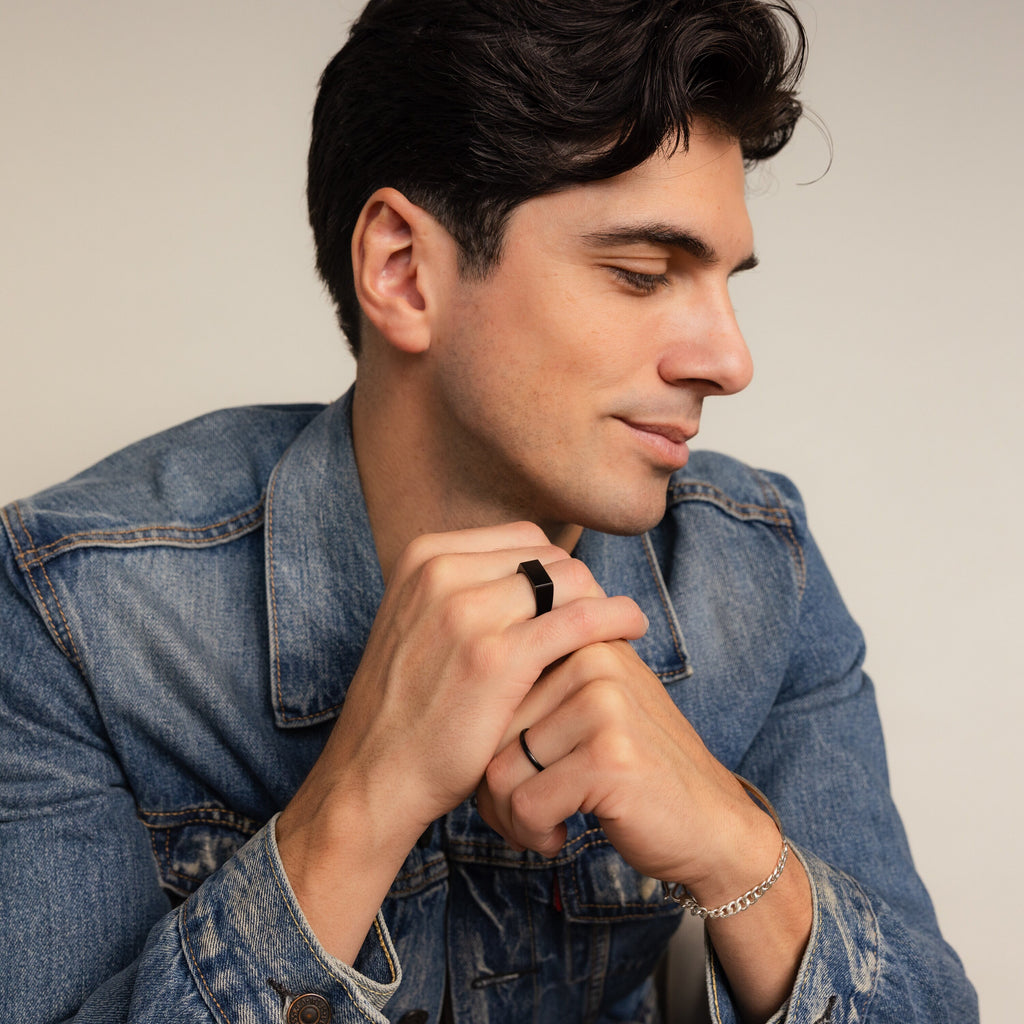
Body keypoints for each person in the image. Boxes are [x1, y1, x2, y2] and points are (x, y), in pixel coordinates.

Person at [0, 1, 977, 1022]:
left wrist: (732, 843)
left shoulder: (754, 564)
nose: (730, 362)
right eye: (641, 274)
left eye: (723, 285)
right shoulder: (68, 611)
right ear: (402, 271)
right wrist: (361, 801)